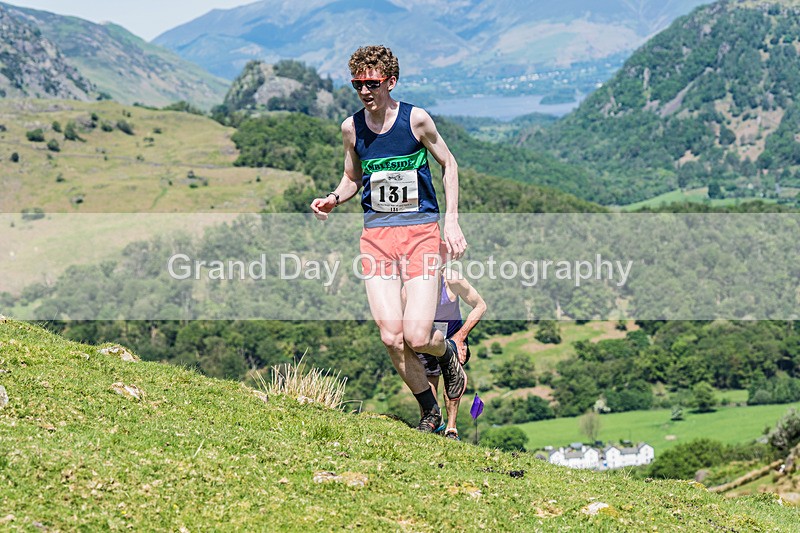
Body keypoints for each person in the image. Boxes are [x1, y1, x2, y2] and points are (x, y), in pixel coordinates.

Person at [310, 45, 468, 432]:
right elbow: (352, 176)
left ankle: (446, 354)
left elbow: (449, 164)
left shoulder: (416, 120)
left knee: (417, 335)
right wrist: (333, 199)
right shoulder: (352, 128)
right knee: (391, 337)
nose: (364, 91)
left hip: (420, 236)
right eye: (357, 83)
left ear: (390, 82)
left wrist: (452, 222)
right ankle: (429, 411)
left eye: (372, 83)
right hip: (377, 239)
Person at [406, 266, 487, 440]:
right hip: (426, 334)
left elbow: (480, 306)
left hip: (453, 334)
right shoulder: (411, 285)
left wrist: (460, 337)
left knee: (451, 376)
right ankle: (431, 423)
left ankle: (451, 429)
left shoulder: (453, 280)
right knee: (428, 377)